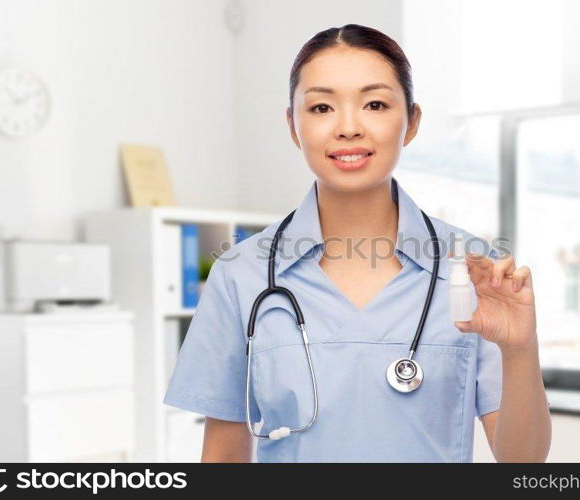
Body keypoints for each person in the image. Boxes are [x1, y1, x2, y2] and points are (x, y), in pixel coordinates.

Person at [163, 23, 550, 463]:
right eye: (322, 107)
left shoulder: (478, 272)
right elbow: (223, 460)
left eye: (375, 104)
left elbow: (524, 465)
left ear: (412, 122)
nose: (348, 127)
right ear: (293, 125)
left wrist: (520, 350)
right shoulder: (240, 274)